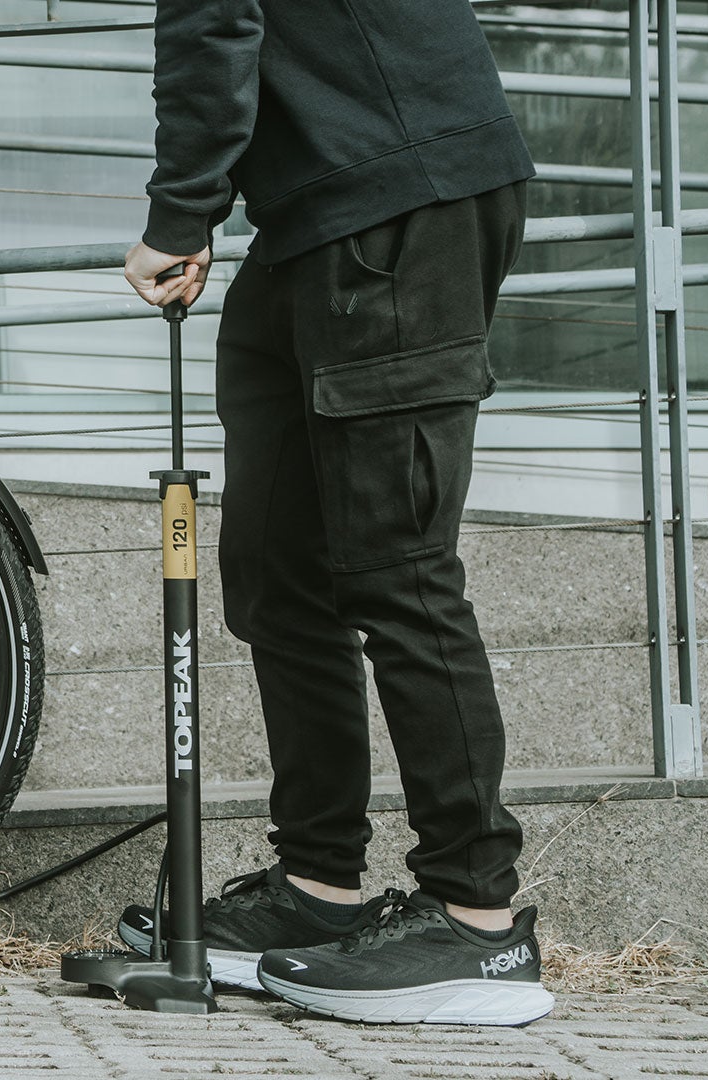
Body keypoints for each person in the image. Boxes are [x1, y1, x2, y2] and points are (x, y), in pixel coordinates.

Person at [115, 0, 552, 1025]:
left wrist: (179, 214)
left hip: (400, 192)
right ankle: (318, 892)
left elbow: (213, 25)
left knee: (397, 566)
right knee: (278, 571)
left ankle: (477, 920)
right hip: (316, 209)